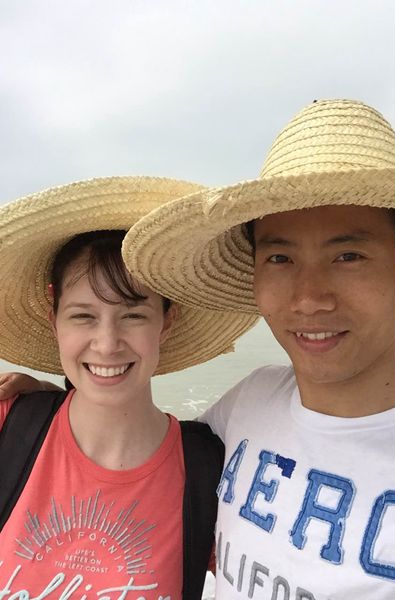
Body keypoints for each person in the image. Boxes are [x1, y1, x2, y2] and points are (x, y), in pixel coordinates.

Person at [114, 100, 395, 599]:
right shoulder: (251, 400)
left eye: (348, 255)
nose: (309, 298)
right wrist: (51, 409)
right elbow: (145, 457)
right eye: (279, 258)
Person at [0, 176, 257, 598]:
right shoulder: (9, 425)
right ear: (54, 320)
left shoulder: (210, 473)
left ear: (166, 322)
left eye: (133, 315)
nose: (107, 344)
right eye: (83, 316)